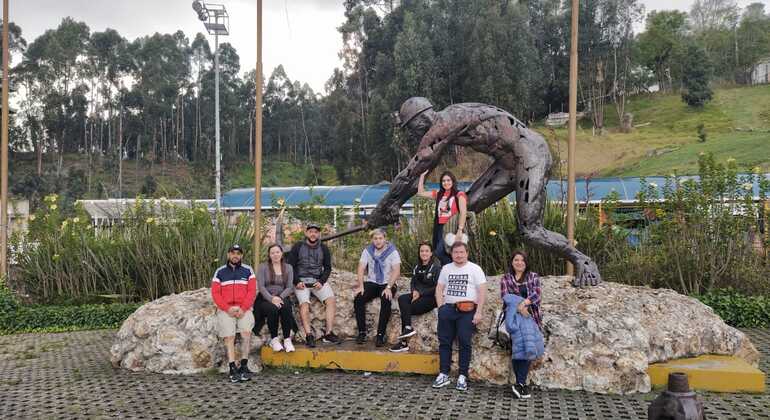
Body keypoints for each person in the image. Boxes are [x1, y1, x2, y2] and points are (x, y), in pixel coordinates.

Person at [432, 242, 487, 392]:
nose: (459, 255)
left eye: (461, 252)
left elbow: (482, 291)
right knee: (444, 342)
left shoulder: (475, 269)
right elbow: (439, 288)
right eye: (456, 252)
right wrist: (441, 307)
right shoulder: (446, 268)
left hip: (467, 310)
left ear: (467, 253)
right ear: (451, 254)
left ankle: (462, 376)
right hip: (448, 309)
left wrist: (479, 311)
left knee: (464, 341)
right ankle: (443, 374)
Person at [286, 222, 340, 347]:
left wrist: (321, 281)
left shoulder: (324, 248)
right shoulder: (298, 246)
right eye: (311, 231)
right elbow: (290, 266)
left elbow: (327, 268)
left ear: (318, 234)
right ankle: (309, 335)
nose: (313, 234)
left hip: (317, 281)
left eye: (316, 232)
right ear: (306, 233)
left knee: (331, 300)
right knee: (304, 305)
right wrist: (297, 281)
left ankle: (328, 333)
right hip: (301, 282)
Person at [210, 244, 257, 383]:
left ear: (241, 256)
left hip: (244, 308)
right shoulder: (220, 272)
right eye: (232, 253)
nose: (235, 255)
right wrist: (227, 308)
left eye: (238, 253)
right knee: (229, 337)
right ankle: (232, 367)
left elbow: (251, 291)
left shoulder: (248, 270)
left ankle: (243, 365)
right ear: (228, 255)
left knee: (246, 334)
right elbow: (215, 293)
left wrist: (243, 308)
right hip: (226, 309)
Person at [500, 250, 543, 399]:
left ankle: (520, 383)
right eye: (516, 260)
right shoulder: (506, 278)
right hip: (514, 319)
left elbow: (537, 294)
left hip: (530, 317)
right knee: (518, 347)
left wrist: (524, 303)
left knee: (527, 347)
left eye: (522, 260)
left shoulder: (533, 276)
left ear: (526, 262)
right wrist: (519, 306)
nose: (519, 263)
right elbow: (506, 297)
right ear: (512, 262)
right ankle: (520, 383)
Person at [390, 241, 441, 353]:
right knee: (402, 299)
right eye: (422, 251)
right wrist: (414, 292)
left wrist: (420, 293)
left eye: (427, 251)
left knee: (406, 309)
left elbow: (438, 287)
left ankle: (403, 343)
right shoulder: (417, 266)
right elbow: (413, 283)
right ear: (419, 253)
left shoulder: (436, 267)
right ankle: (408, 328)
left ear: (431, 253)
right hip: (418, 295)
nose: (424, 253)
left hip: (431, 298)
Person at [354, 229, 401, 347]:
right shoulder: (368, 250)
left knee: (386, 298)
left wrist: (389, 287)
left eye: (380, 238)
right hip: (372, 282)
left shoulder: (392, 251)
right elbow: (361, 268)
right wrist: (360, 285)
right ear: (372, 240)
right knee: (359, 298)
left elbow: (396, 271)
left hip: (387, 282)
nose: (378, 241)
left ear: (385, 239)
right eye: (375, 238)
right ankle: (362, 332)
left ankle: (381, 334)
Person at [416, 170, 468, 266]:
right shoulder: (439, 194)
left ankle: (452, 269)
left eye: (448, 180)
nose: (446, 183)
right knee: (443, 252)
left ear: (453, 181)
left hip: (451, 227)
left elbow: (463, 212)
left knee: (439, 252)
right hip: (440, 227)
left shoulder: (459, 194)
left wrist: (460, 230)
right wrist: (422, 176)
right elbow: (420, 193)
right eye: (443, 181)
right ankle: (449, 272)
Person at [254, 243, 296, 353]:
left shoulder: (288, 267)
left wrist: (280, 297)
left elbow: (289, 287)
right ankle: (274, 339)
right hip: (265, 297)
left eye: (277, 252)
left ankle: (287, 339)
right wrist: (272, 298)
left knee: (286, 307)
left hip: (282, 296)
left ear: (282, 254)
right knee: (272, 309)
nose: (275, 255)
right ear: (269, 255)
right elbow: (261, 287)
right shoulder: (263, 267)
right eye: (272, 253)